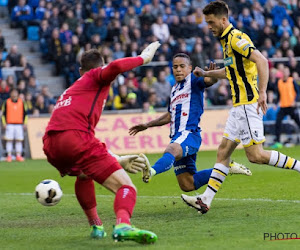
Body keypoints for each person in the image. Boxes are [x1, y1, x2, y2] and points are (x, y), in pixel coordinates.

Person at [181, 1, 300, 215]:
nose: (208, 26)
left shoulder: (236, 39)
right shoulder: (226, 42)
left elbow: (262, 61)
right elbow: (231, 72)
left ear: (223, 19)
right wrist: (207, 73)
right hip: (238, 107)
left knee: (256, 156)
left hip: (247, 104)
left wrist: (263, 92)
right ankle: (205, 200)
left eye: (211, 22)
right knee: (223, 152)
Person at [42, 42, 161, 244]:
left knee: (84, 174)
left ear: (80, 70)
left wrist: (118, 159)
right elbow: (114, 68)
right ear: (99, 68)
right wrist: (143, 59)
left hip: (51, 144)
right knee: (127, 188)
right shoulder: (95, 77)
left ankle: (96, 226)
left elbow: (81, 141)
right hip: (75, 138)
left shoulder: (72, 90)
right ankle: (123, 225)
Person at [129, 53, 251, 194]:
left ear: (190, 68)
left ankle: (151, 171)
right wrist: (147, 125)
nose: (178, 70)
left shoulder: (193, 80)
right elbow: (170, 115)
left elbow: (208, 81)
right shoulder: (174, 90)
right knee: (187, 184)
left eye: (182, 66)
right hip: (177, 137)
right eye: (175, 67)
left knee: (171, 150)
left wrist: (212, 76)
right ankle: (226, 168)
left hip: (189, 134)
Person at [271, 66, 300, 149]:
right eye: (284, 71)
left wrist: (295, 100)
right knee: (278, 122)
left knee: (298, 122)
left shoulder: (292, 81)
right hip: (283, 107)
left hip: (291, 106)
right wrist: (276, 104)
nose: (285, 73)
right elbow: (279, 95)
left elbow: (298, 92)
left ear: (288, 72)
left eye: (286, 71)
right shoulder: (279, 82)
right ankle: (278, 142)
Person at [1, 89, 28, 162]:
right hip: (9, 124)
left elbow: (25, 114)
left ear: (18, 94)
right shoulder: (6, 102)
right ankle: (9, 156)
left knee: (18, 141)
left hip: (19, 124)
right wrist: (4, 123)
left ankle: (18, 156)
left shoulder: (22, 102)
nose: (14, 94)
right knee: (9, 140)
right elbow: (3, 114)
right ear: (10, 94)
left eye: (15, 93)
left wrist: (25, 123)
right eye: (13, 93)